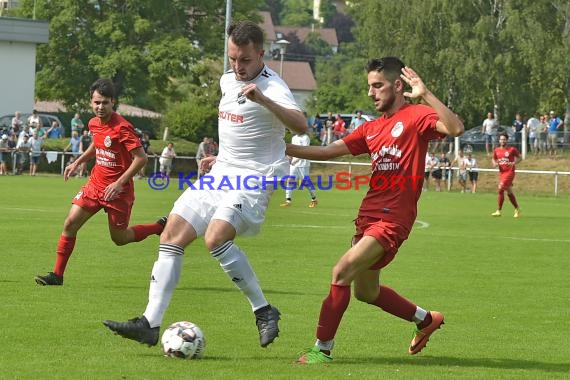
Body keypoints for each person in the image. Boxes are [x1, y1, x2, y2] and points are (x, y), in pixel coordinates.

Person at [103, 20, 308, 348]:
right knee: (171, 233)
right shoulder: (228, 79)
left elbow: (301, 124)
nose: (237, 67)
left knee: (215, 237)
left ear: (261, 54)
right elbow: (237, 126)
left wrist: (264, 101)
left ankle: (264, 310)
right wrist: (220, 156)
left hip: (255, 177)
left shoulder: (273, 87)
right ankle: (150, 323)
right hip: (221, 173)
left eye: (245, 60)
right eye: (232, 58)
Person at [286, 57, 464, 364]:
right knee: (366, 292)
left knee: (341, 271)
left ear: (397, 85)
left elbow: (455, 127)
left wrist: (426, 94)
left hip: (393, 219)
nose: (371, 93)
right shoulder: (371, 129)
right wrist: (278, 149)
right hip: (367, 217)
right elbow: (328, 151)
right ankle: (424, 319)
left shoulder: (416, 115)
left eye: (377, 85)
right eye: (369, 86)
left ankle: (322, 350)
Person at [34, 78, 167, 286]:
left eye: (104, 102)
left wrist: (119, 184)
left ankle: (158, 228)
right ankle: (57, 275)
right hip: (95, 185)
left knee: (120, 238)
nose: (100, 107)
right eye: (96, 102)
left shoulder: (122, 127)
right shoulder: (93, 123)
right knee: (70, 223)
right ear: (90, 102)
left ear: (112, 102)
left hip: (118, 192)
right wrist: (77, 162)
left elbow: (142, 159)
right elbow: (96, 145)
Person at [280, 131, 318, 208]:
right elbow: (293, 150)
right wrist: (290, 157)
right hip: (294, 164)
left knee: (305, 183)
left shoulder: (305, 137)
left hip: (303, 163)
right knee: (290, 180)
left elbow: (305, 151)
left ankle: (314, 199)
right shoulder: (294, 138)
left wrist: (297, 160)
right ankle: (288, 201)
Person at [491, 132, 521, 218]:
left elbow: (520, 157)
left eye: (504, 139)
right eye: (501, 139)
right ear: (499, 140)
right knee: (509, 191)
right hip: (502, 173)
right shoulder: (496, 150)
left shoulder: (512, 149)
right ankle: (517, 209)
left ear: (507, 140)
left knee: (500, 188)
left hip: (510, 172)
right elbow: (493, 159)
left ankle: (498, 210)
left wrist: (514, 162)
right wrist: (494, 164)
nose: (502, 141)